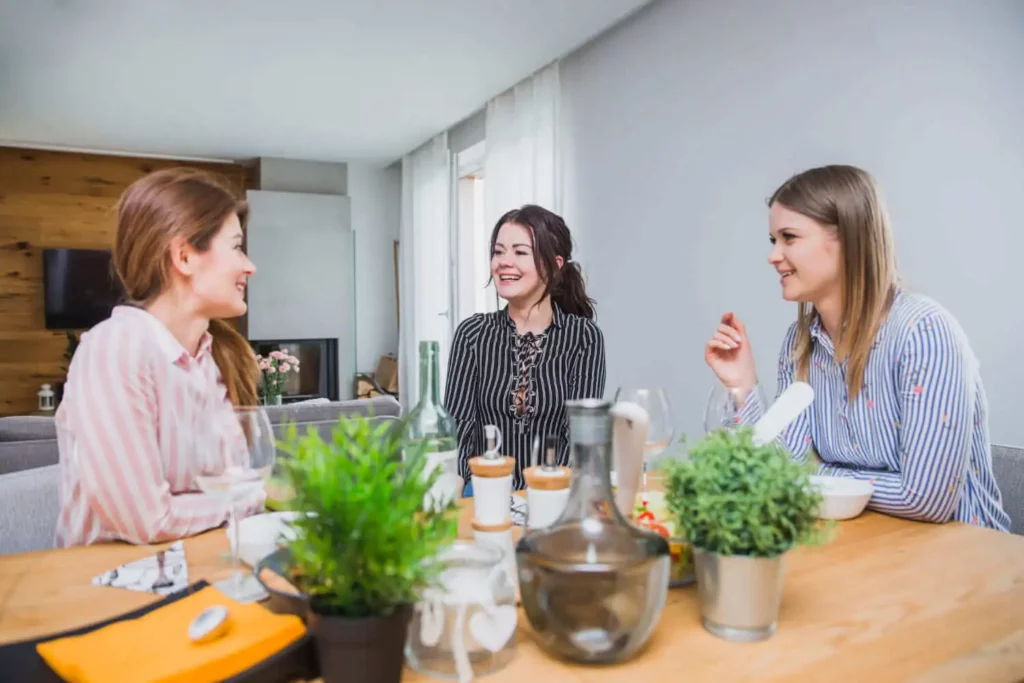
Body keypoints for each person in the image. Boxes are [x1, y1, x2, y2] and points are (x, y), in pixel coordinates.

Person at [705, 164, 1009, 530]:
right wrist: (742, 386)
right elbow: (775, 474)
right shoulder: (800, 344)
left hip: (962, 560)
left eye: (789, 237)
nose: (773, 255)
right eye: (773, 240)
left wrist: (818, 474)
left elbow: (926, 500)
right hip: (869, 544)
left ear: (848, 239)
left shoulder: (923, 332)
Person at [55, 168, 266, 547]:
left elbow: (232, 486)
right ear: (184, 256)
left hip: (202, 572)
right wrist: (255, 497)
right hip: (113, 592)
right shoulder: (115, 349)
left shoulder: (215, 360)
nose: (249, 266)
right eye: (236, 246)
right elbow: (148, 521)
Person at [445, 204, 607, 493]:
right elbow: (459, 430)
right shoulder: (472, 334)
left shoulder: (583, 337)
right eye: (498, 251)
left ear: (555, 264)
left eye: (520, 252)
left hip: (554, 494)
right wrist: (449, 501)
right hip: (485, 495)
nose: (504, 262)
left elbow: (580, 440)